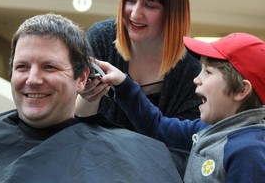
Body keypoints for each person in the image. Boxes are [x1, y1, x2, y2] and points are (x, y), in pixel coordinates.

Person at [0, 13, 183, 183]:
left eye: (49, 67)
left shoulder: (138, 159)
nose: (32, 80)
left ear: (82, 78)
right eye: (22, 67)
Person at [76, 0, 201, 173]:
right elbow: (79, 125)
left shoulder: (192, 69)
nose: (135, 13)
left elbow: (180, 153)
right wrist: (89, 97)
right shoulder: (101, 38)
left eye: (150, 5)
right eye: (131, 0)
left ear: (172, 11)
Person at [95, 32, 265, 182]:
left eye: (208, 72)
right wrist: (124, 84)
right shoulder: (206, 129)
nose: (196, 80)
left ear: (241, 90)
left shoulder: (248, 152)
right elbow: (157, 126)